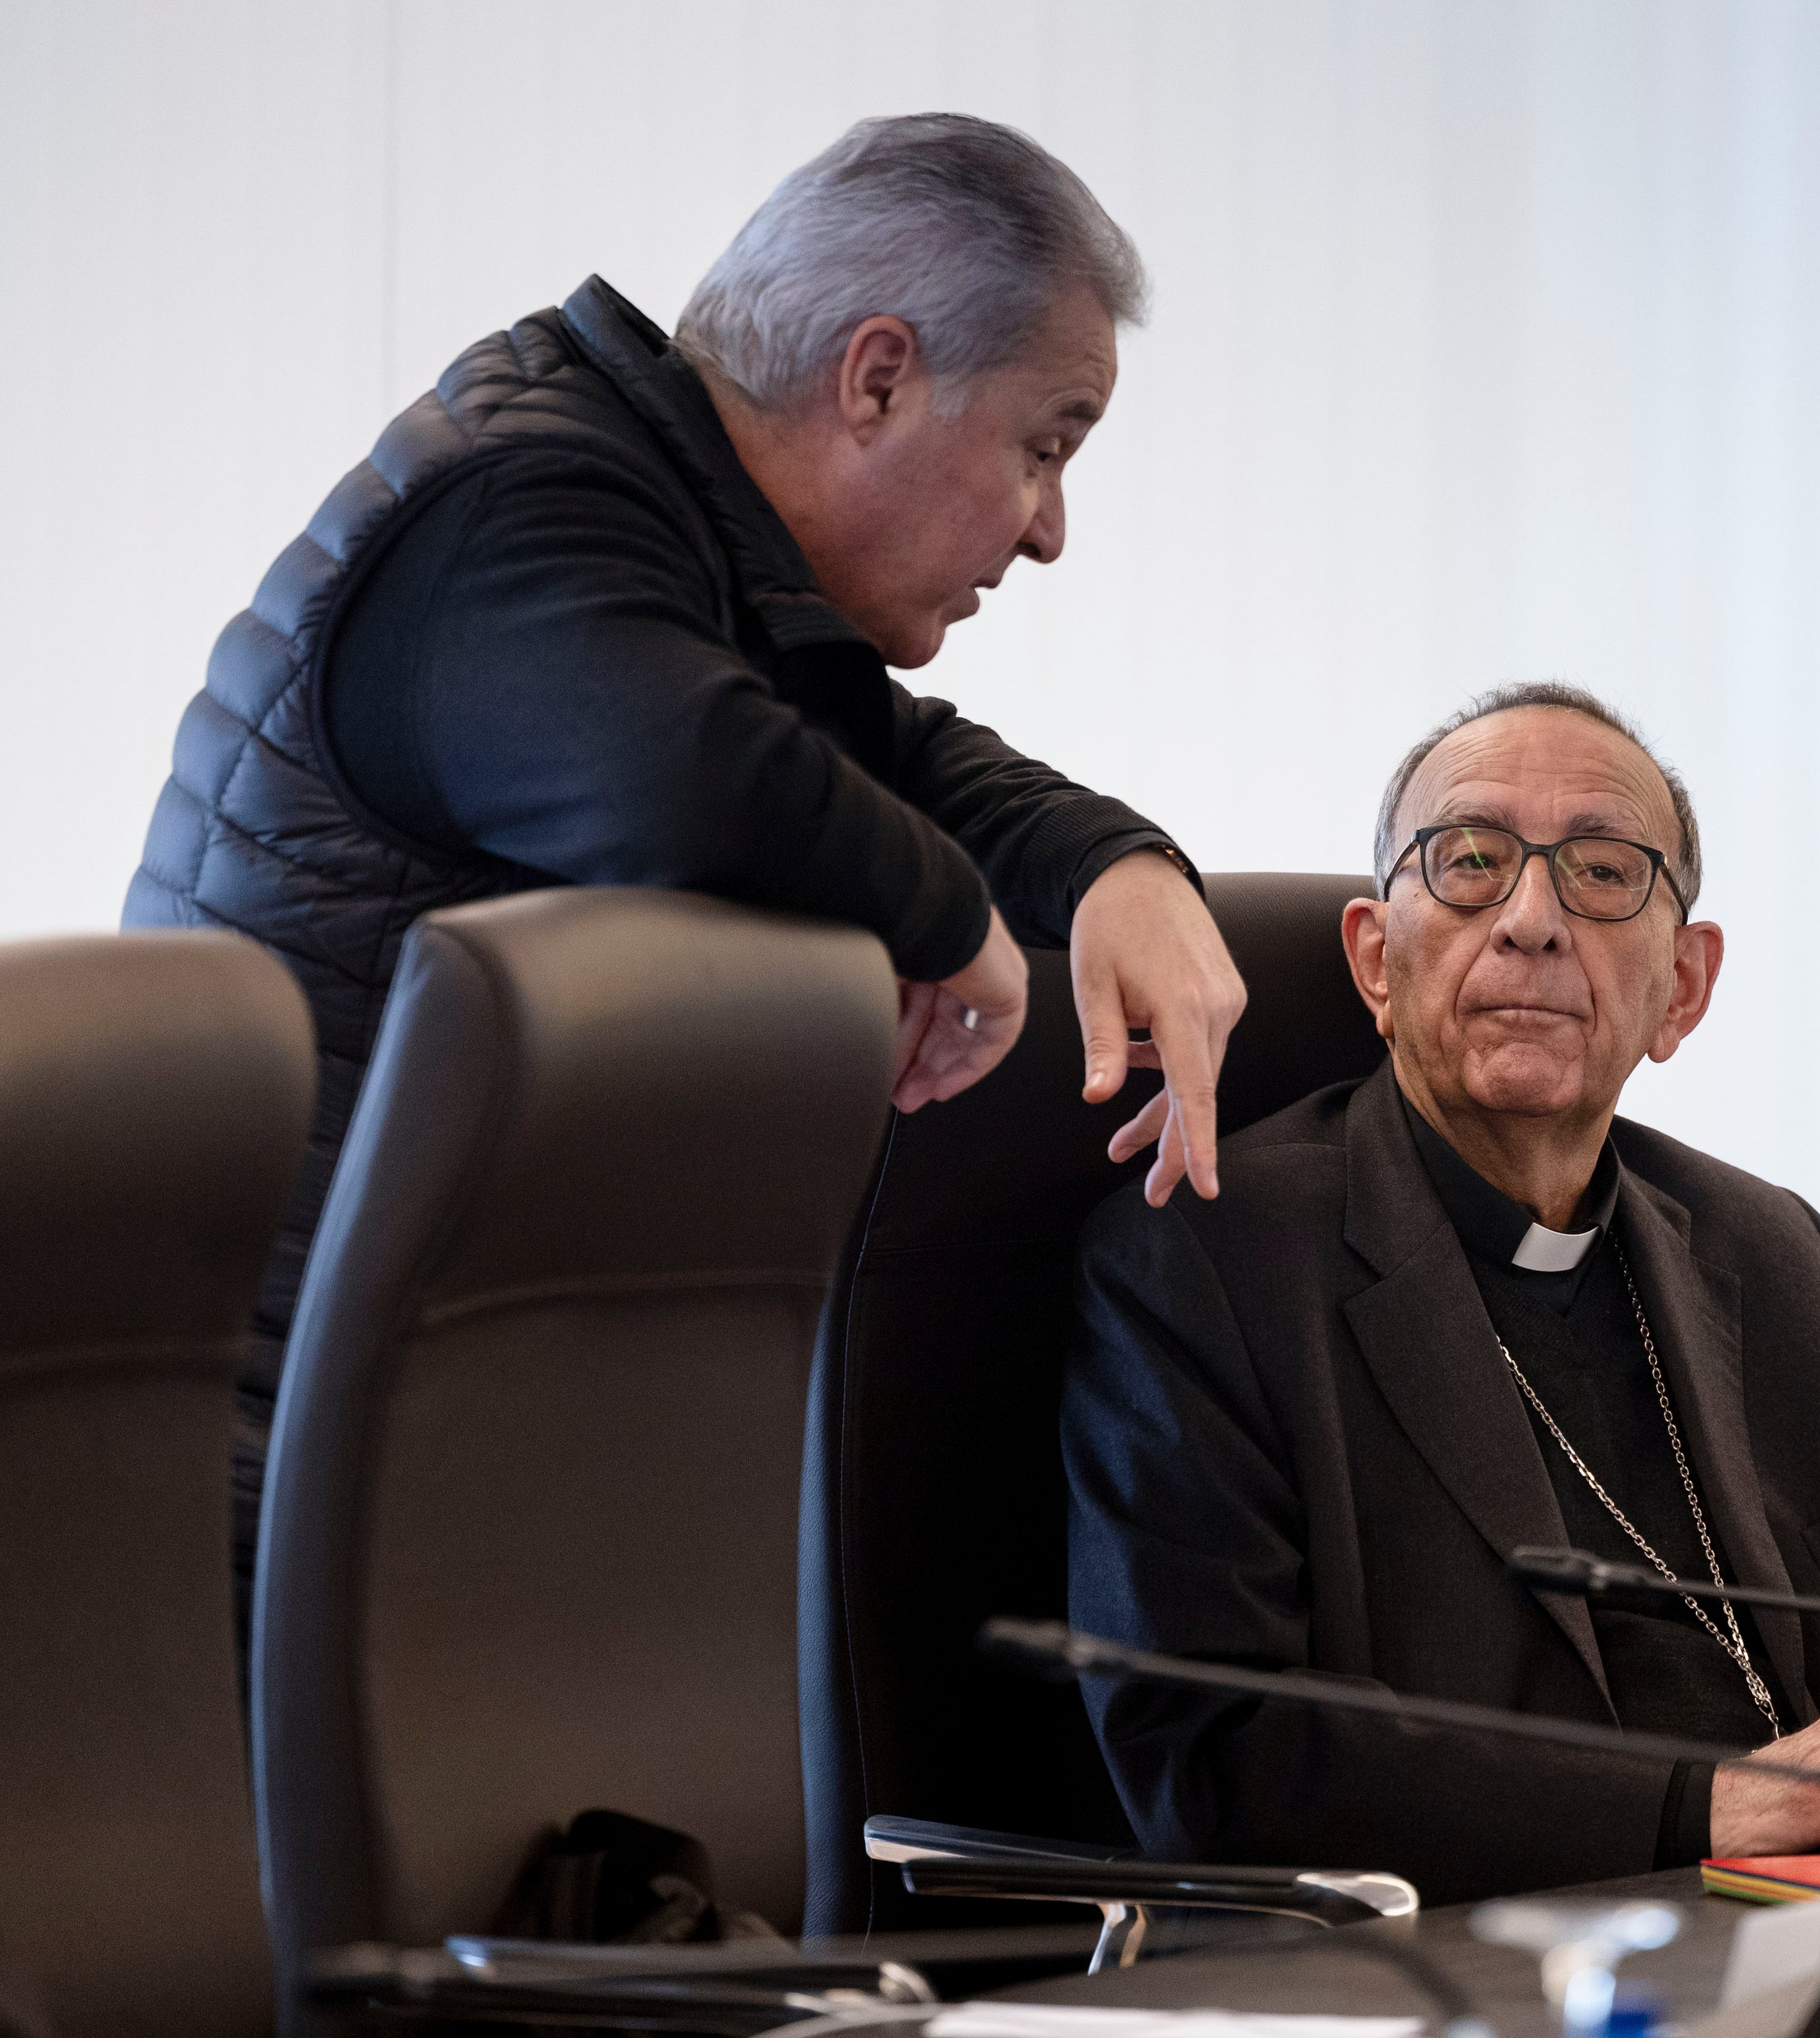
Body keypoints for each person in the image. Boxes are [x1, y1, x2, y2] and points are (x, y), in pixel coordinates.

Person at [122, 116, 1246, 1618]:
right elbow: (692, 784)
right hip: (242, 1493)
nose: (1048, 531)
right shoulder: (522, 507)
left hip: (390, 1441)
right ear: (878, 377)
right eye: (1043, 448)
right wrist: (950, 921)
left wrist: (1120, 869)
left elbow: (893, 757)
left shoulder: (668, 528)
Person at [1063, 684, 1820, 1904]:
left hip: (1813, 1933)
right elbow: (1221, 1755)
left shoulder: (1766, 1254)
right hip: (1457, 1963)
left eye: (1603, 871)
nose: (1532, 920)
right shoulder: (1213, 1259)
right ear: (1375, 960)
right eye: (1471, 861)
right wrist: (1716, 1802)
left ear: (1683, 988)